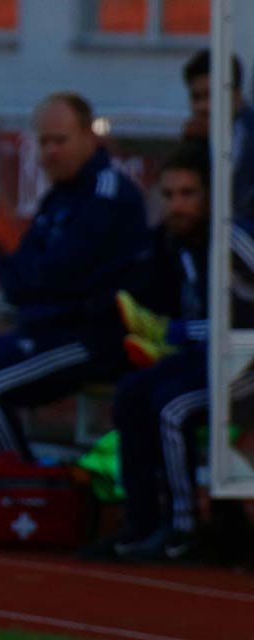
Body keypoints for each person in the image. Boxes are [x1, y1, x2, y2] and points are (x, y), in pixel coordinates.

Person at [0, 92, 151, 463]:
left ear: (90, 137)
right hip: (41, 329)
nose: (50, 152)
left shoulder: (109, 195)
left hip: (89, 337)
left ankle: (22, 488)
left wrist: (36, 282)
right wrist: (34, 282)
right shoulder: (59, 198)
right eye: (43, 141)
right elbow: (18, 273)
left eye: (60, 140)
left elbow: (60, 271)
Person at [105, 144, 222, 562]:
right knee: (132, 394)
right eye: (169, 195)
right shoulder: (167, 246)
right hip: (198, 358)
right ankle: (141, 519)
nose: (177, 205)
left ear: (212, 196)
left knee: (171, 406)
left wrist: (171, 331)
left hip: (234, 364)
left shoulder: (228, 246)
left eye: (188, 194)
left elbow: (234, 325)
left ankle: (185, 527)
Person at [179, 49, 254, 221]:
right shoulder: (194, 141)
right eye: (196, 98)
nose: (202, 107)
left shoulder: (247, 137)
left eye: (211, 96)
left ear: (236, 95)